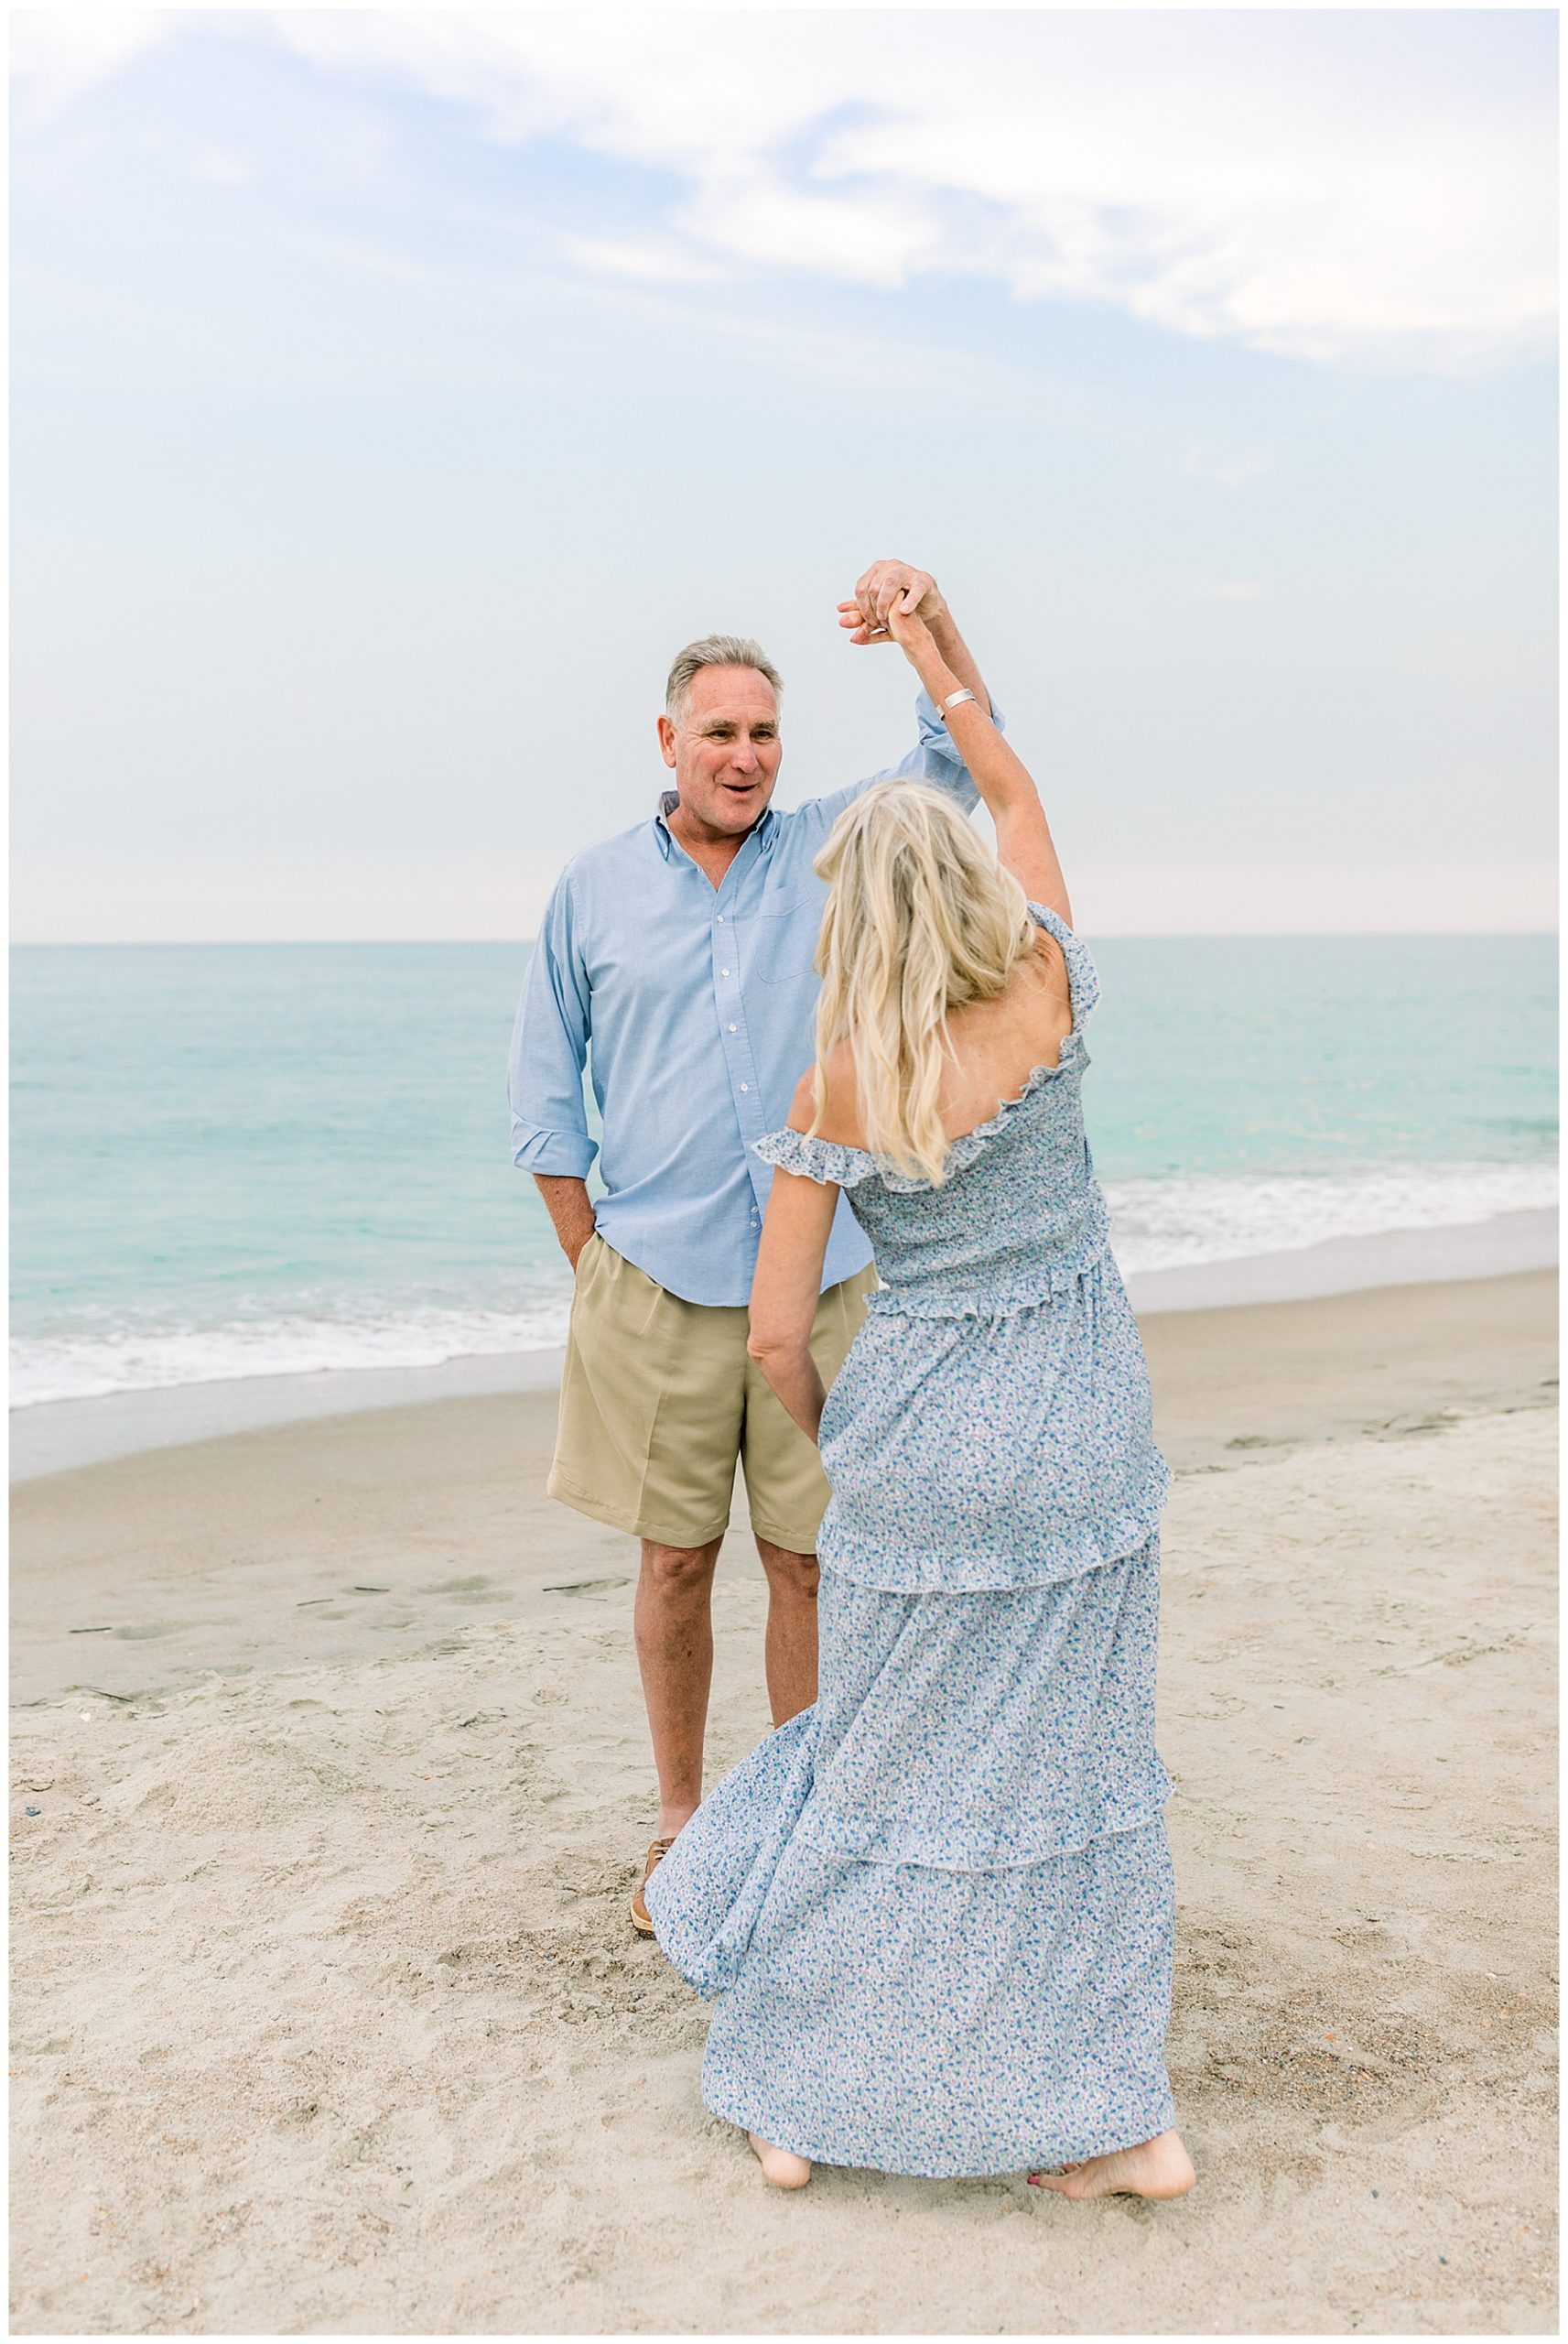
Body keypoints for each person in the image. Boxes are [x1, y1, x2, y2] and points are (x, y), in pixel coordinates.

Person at [645, 587, 1195, 2202]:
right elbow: (1015, 790)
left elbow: (766, 1337)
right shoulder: (1049, 982)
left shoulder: (840, 1073)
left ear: (847, 918)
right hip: (1084, 1422)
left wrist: (839, 1435)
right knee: (1074, 1764)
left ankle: (805, 2099)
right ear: (959, 881)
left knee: (882, 1760)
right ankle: (1116, 2128)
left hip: (924, 1437)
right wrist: (934, 656)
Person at [509, 562, 1000, 1935]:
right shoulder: (592, 890)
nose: (744, 756)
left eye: (763, 733)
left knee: (808, 1563)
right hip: (653, 1284)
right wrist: (595, 1264)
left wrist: (922, 623)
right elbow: (545, 1104)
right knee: (673, 1561)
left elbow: (961, 756)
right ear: (668, 741)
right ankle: (679, 1818)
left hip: (823, 1279)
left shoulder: (839, 850)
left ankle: (807, 1811)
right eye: (718, 732)